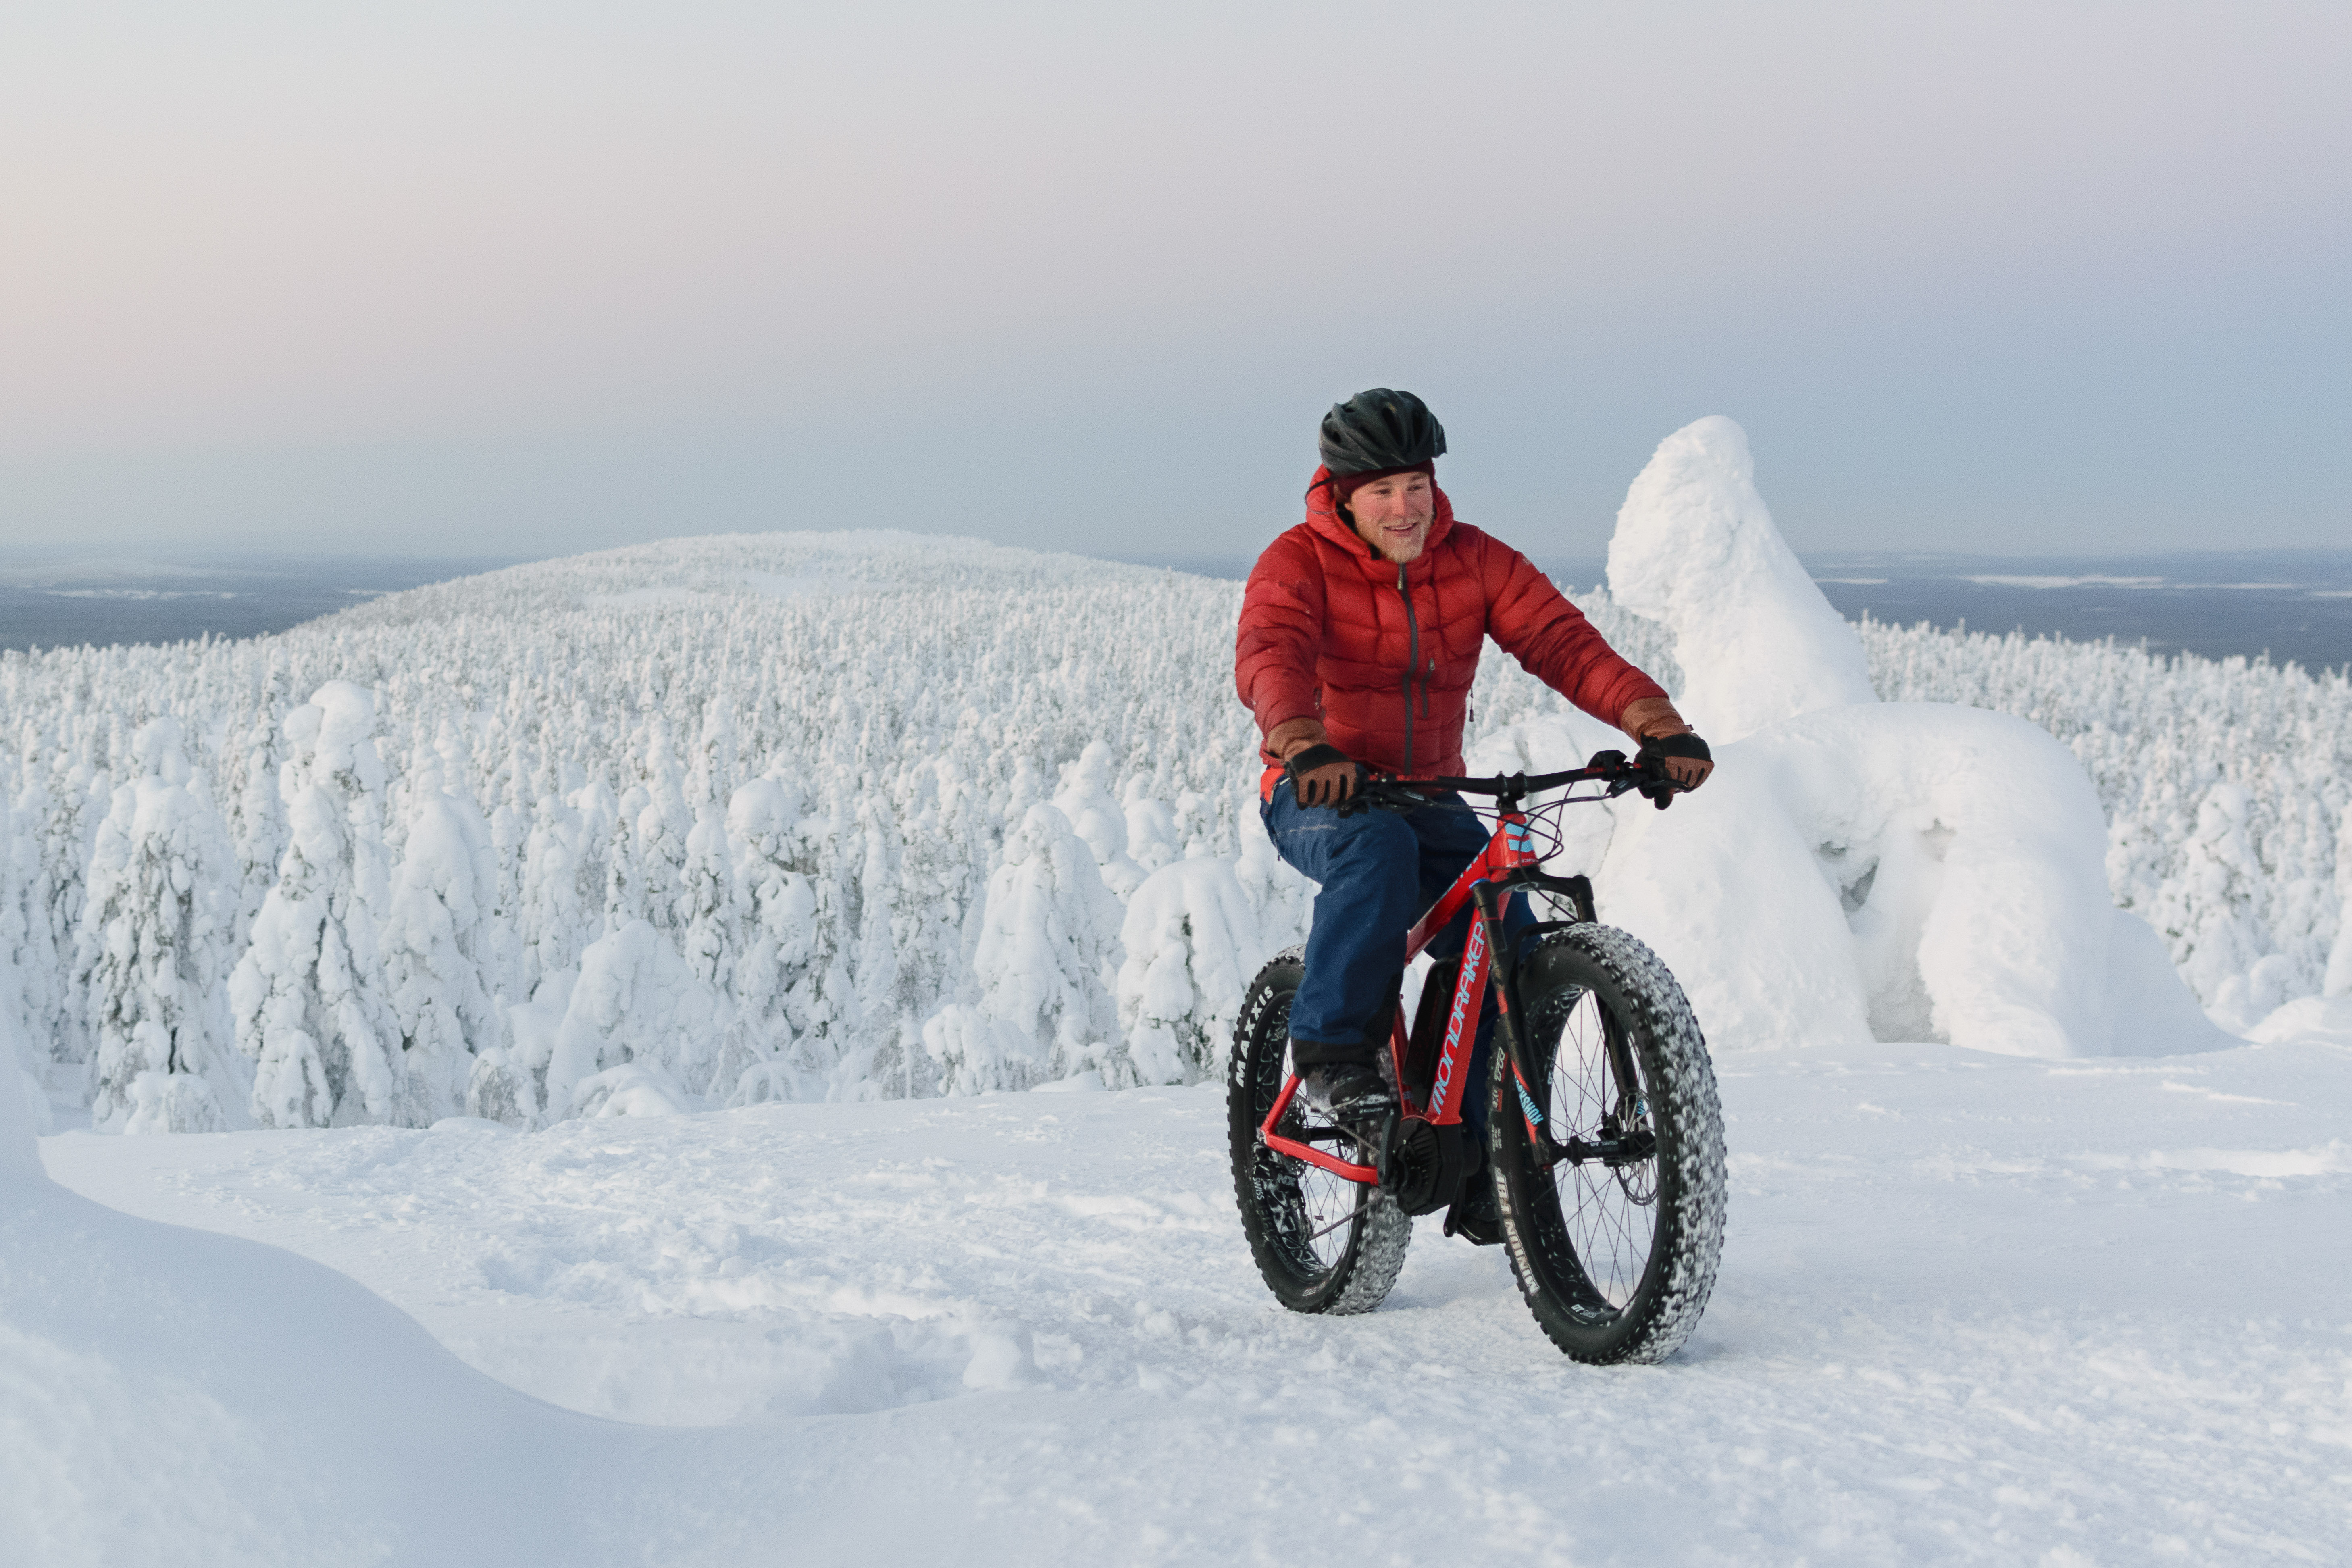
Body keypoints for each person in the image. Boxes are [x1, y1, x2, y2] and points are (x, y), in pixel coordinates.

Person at [1234, 388, 1712, 1238]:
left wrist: (1654, 723)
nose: (1404, 507)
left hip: (1429, 793)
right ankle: (1337, 1057)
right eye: (1381, 490)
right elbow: (1273, 651)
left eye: (1415, 485)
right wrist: (1303, 742)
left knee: (1510, 925)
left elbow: (1563, 643)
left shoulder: (1475, 561)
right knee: (1374, 852)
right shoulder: (1296, 562)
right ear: (1341, 493)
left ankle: (1467, 1137)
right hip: (1318, 789)